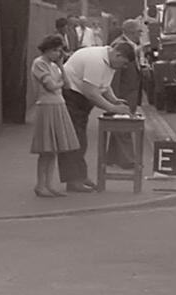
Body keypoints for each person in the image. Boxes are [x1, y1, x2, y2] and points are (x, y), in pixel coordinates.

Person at [57, 41, 135, 193]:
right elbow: (90, 92)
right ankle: (73, 181)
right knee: (74, 140)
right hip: (71, 97)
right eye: (123, 63)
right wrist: (113, 108)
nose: (123, 67)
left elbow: (104, 86)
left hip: (80, 99)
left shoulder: (109, 62)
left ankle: (80, 175)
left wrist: (114, 99)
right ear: (117, 54)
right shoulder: (96, 61)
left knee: (80, 140)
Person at [30, 35, 80, 198]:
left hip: (58, 105)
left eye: (60, 51)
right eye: (56, 51)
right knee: (46, 149)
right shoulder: (39, 64)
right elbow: (51, 86)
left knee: (53, 150)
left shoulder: (54, 66)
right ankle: (40, 185)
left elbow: (67, 84)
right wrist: (59, 83)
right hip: (47, 106)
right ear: (48, 49)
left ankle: (49, 184)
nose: (58, 54)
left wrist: (61, 67)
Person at [106, 20, 146, 168]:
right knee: (125, 126)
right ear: (130, 32)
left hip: (130, 91)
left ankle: (112, 158)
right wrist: (115, 100)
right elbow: (115, 74)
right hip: (123, 92)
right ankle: (129, 160)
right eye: (138, 32)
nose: (140, 34)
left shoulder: (131, 45)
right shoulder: (120, 45)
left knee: (120, 126)